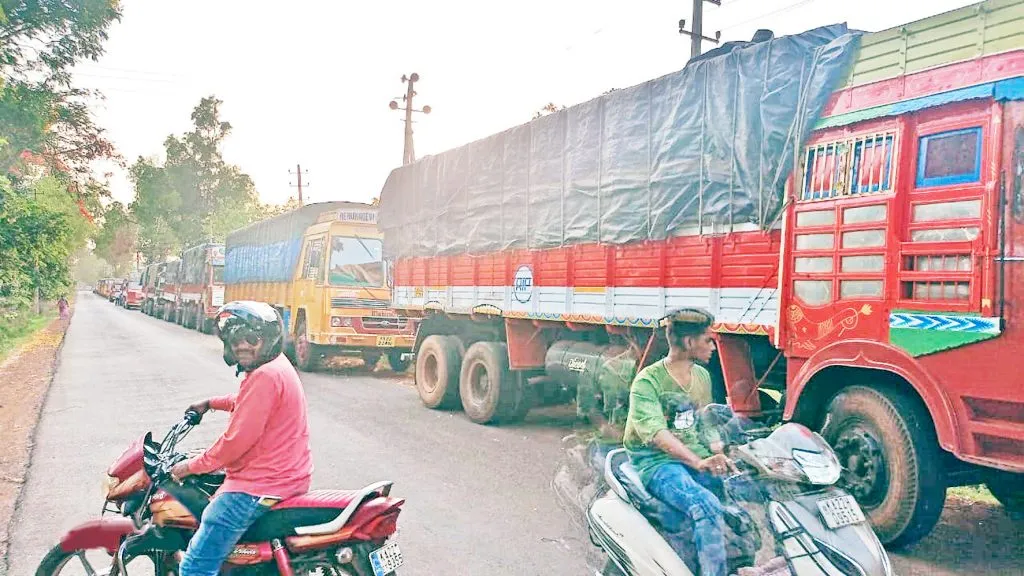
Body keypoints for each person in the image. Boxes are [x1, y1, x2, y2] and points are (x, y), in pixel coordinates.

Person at [169, 301, 313, 576]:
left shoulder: (266, 375)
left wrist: (191, 466)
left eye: (251, 339)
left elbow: (234, 444)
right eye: (235, 340)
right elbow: (251, 403)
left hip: (261, 484)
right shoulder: (275, 366)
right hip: (286, 476)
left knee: (195, 566)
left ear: (267, 340)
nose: (242, 346)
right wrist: (211, 403)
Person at [622, 308, 734, 576]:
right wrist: (698, 462)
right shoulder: (647, 381)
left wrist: (719, 451)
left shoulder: (702, 376)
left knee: (741, 494)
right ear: (689, 342)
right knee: (705, 505)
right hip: (658, 463)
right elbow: (658, 435)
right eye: (708, 340)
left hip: (695, 456)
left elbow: (705, 420)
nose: (713, 347)